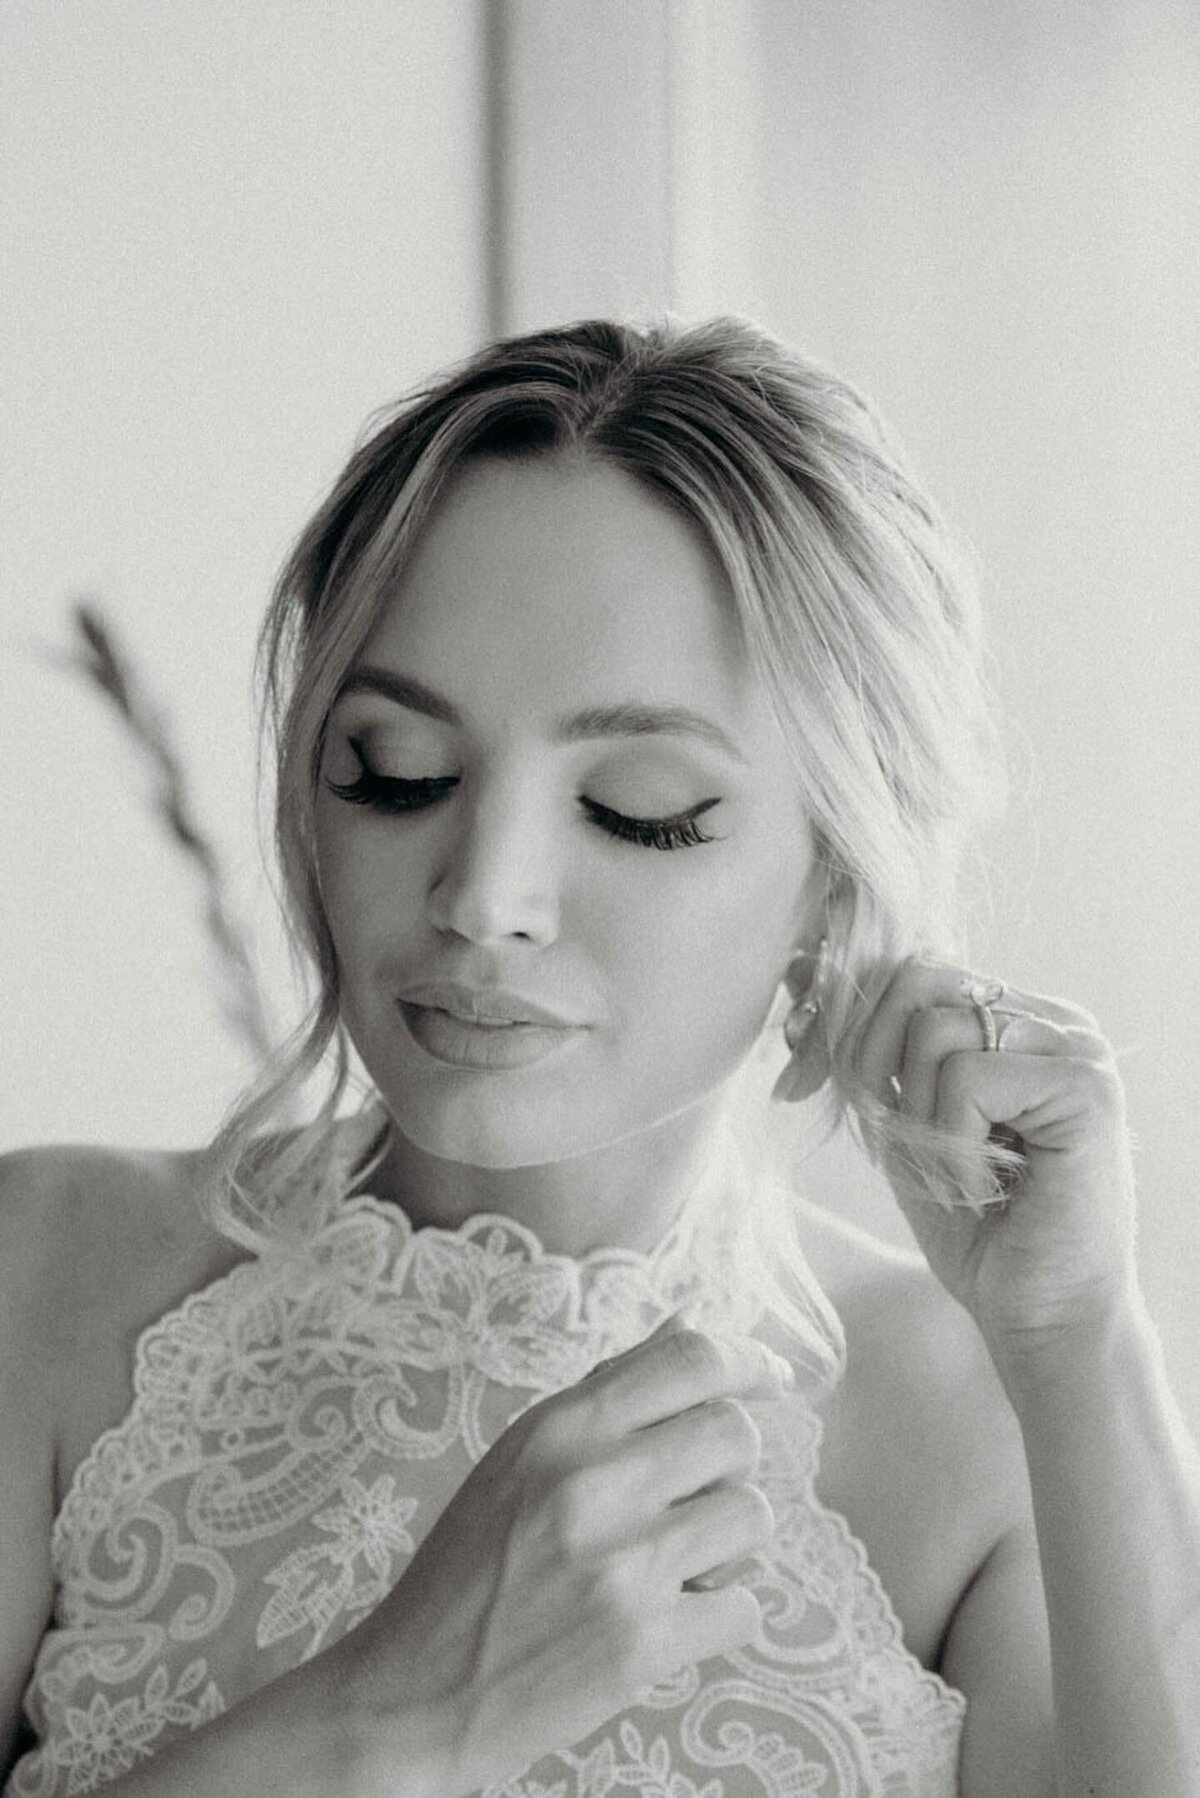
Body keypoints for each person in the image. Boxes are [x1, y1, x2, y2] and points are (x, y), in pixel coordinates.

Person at [1, 315, 1197, 1798]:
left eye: (637, 806)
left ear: (838, 860)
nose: (483, 896)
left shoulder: (982, 1435)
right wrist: (395, 1715)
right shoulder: (43, 1279)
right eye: (398, 773)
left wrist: (1082, 1341)